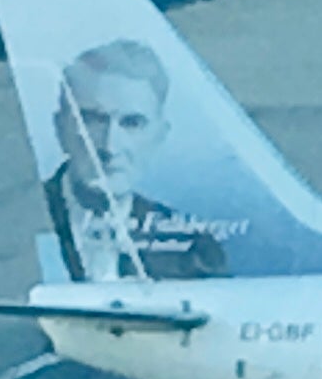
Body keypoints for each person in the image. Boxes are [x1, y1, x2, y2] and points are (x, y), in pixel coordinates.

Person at [40, 39, 230, 282]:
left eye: (132, 124)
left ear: (159, 137)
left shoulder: (193, 248)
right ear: (60, 128)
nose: (110, 146)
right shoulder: (18, 222)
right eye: (93, 120)